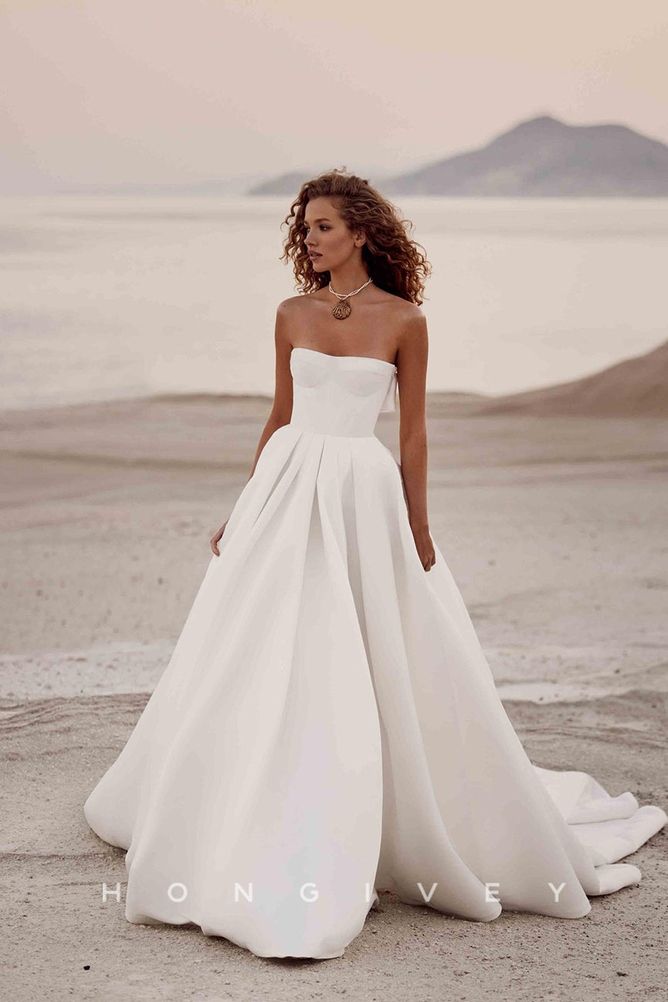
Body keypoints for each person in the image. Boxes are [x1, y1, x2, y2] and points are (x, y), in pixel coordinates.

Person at [84, 168, 666, 961]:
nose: (310, 240)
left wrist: (418, 523)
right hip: (288, 487)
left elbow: (415, 433)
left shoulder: (406, 321)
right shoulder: (290, 313)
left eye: (323, 226)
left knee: (367, 644)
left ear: (361, 231)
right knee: (262, 641)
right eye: (306, 227)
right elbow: (280, 415)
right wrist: (246, 503)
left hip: (362, 492)